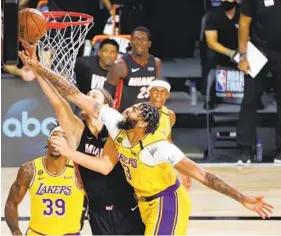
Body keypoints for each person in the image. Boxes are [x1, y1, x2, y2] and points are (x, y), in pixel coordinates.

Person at [20, 44, 274, 235]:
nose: (129, 109)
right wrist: (40, 67)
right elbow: (73, 95)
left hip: (167, 200)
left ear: (142, 124)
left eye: (135, 110)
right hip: (141, 204)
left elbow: (204, 175)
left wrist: (242, 198)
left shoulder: (158, 149)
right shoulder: (116, 124)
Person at [19, 43, 145, 235]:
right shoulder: (79, 129)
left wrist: (69, 152)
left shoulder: (116, 128)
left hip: (126, 208)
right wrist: (38, 71)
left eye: (95, 95)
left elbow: (105, 167)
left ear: (106, 106)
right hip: (97, 212)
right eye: (88, 94)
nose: (88, 97)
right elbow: (58, 103)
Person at [4, 126, 85, 235]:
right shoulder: (29, 170)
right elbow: (11, 203)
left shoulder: (79, 170)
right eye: (55, 138)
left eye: (62, 139)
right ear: (48, 141)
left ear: (68, 145)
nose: (57, 143)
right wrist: (16, 231)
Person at [237, 0, 281, 163]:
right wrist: (242, 56)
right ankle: (245, 150)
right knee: (250, 100)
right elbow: (244, 22)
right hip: (258, 51)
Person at [104, 26, 161, 112]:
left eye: (143, 39)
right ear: (131, 42)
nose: (139, 42)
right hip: (124, 114)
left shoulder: (156, 63)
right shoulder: (120, 64)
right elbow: (107, 93)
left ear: (149, 44)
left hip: (147, 114)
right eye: (136, 39)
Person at [147, 79, 192, 190]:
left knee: (180, 189)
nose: (159, 94)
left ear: (167, 95)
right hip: (140, 162)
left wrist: (183, 169)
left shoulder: (170, 115)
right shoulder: (137, 111)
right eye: (155, 90)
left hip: (158, 162)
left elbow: (167, 141)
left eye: (163, 92)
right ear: (149, 92)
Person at [203, 0, 239, 108]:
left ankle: (256, 97)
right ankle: (209, 97)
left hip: (240, 49)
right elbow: (211, 43)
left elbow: (250, 36)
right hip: (222, 51)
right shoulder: (212, 16)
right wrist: (230, 53)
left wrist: (241, 51)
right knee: (210, 56)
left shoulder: (244, 13)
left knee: (257, 54)